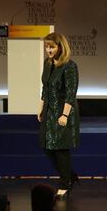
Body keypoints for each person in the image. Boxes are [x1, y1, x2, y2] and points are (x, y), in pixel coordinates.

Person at [37, 32, 80, 200]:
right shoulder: (48, 64)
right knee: (46, 146)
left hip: (64, 111)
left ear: (61, 47)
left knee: (61, 148)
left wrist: (64, 115)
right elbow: (45, 88)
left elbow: (71, 93)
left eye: (52, 47)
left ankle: (64, 184)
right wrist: (40, 107)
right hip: (49, 110)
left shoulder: (70, 66)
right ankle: (69, 175)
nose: (49, 50)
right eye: (47, 46)